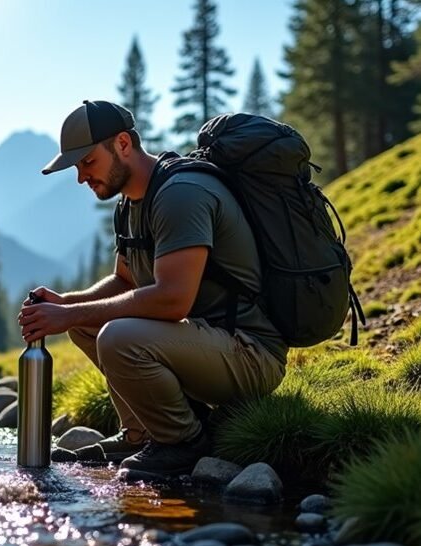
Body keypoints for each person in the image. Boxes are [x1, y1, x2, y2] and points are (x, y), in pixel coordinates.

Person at [17, 100, 288, 479]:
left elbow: (172, 300)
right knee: (85, 324)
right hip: (201, 344)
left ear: (123, 144)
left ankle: (183, 442)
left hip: (249, 353)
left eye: (88, 161)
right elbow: (125, 283)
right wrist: (68, 305)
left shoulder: (181, 194)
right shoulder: (130, 204)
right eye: (77, 166)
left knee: (116, 335)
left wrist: (70, 313)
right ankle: (141, 433)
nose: (81, 177)